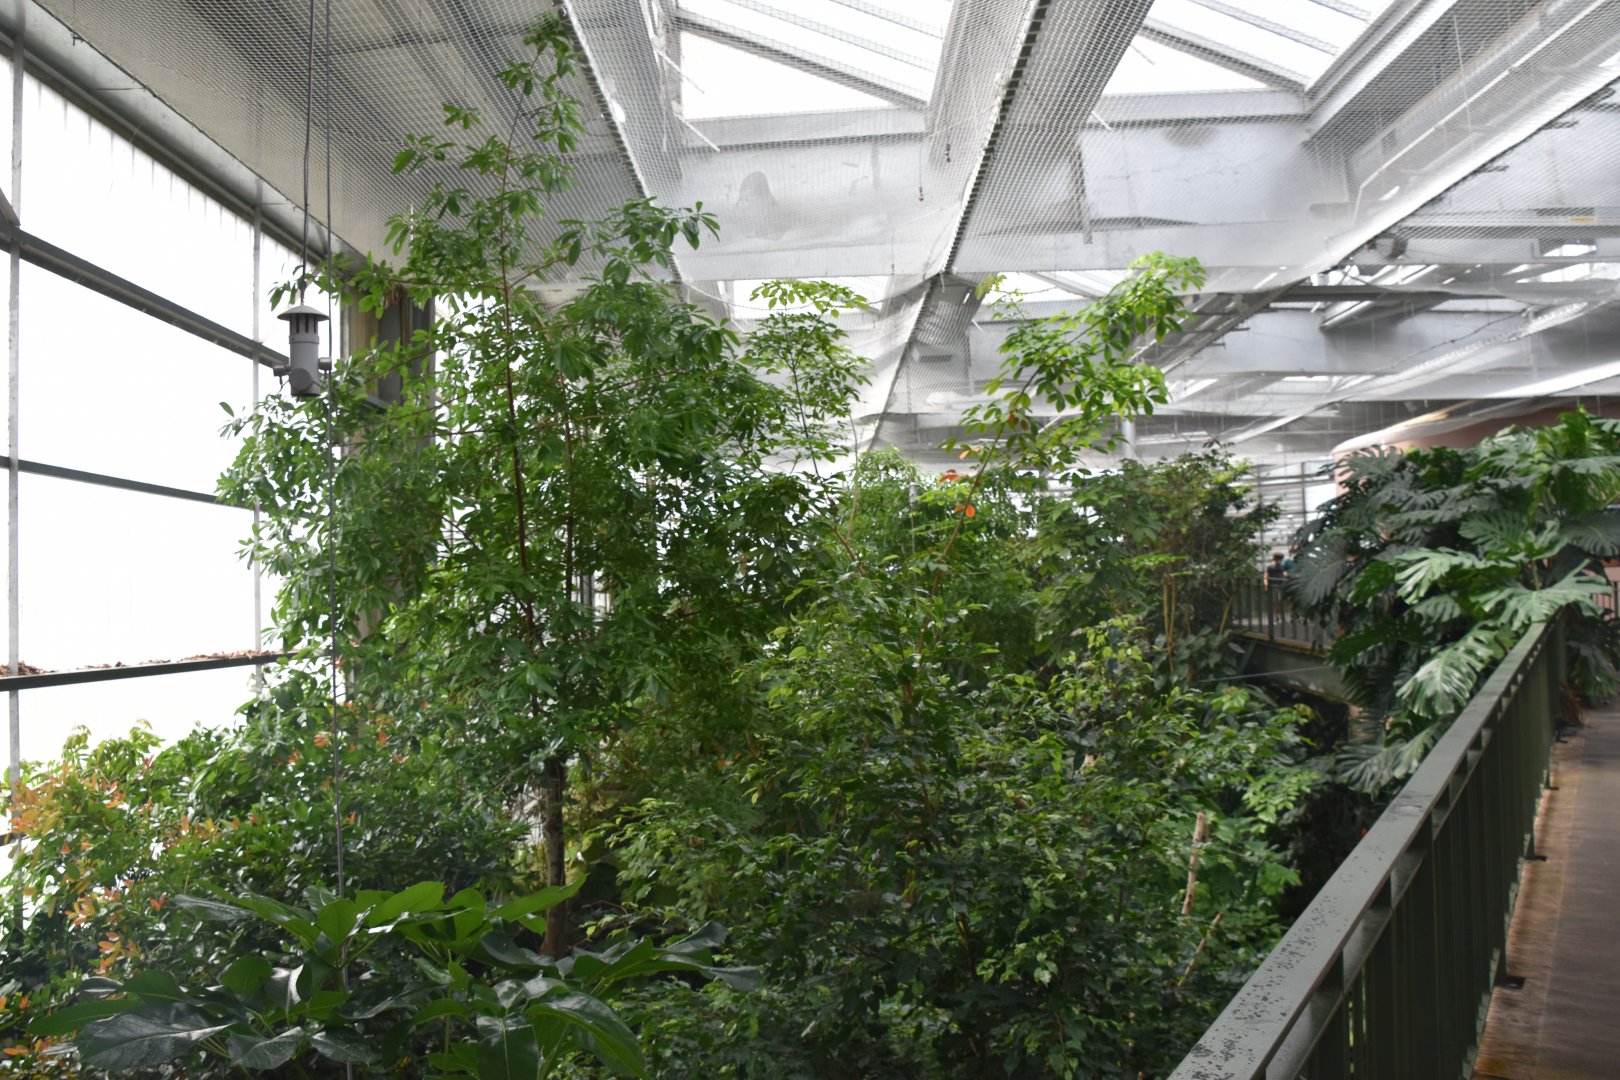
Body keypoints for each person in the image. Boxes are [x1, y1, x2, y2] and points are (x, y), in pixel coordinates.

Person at [1266, 552, 1289, 620]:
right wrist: (1266, 584)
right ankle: (1274, 615)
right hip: (1273, 585)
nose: (1280, 560)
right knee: (1274, 601)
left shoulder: (1282, 567)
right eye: (1279, 559)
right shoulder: (1270, 567)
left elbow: (1284, 574)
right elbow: (1266, 575)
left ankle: (1277, 615)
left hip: (1280, 585)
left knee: (1279, 601)